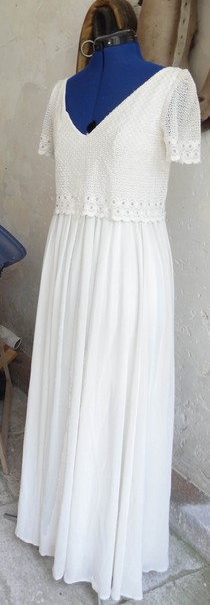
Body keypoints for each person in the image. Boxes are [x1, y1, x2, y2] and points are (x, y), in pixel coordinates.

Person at [15, 30, 201, 603]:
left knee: (121, 389)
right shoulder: (60, 93)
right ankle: (62, 521)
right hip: (71, 258)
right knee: (71, 379)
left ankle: (109, 539)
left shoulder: (173, 87)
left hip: (129, 262)